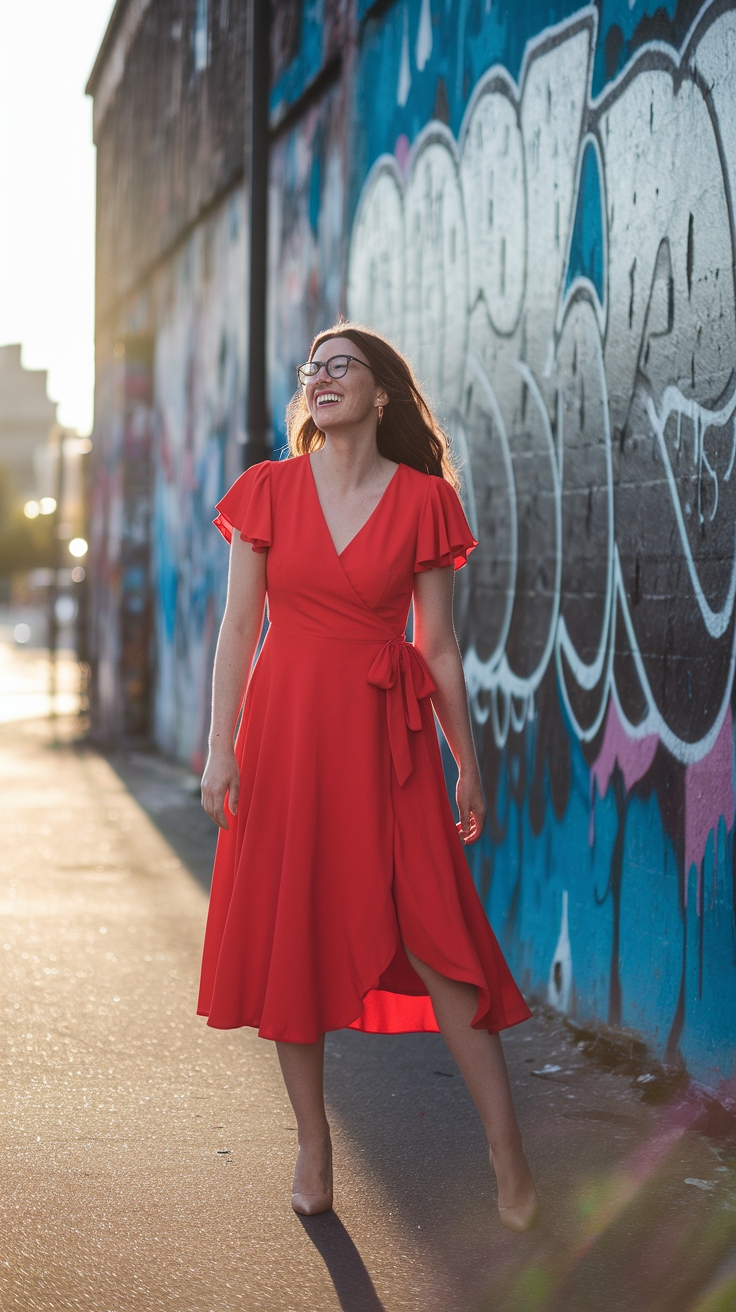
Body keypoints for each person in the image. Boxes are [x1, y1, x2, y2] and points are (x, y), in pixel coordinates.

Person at [198, 323, 539, 1232]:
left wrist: (468, 762)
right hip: (286, 735)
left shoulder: (425, 501)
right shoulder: (266, 491)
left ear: (382, 392)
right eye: (312, 368)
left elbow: (439, 645)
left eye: (339, 365)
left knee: (440, 934)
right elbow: (239, 629)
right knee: (292, 932)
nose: (320, 378)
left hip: (386, 741)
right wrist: (219, 745)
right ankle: (314, 1142)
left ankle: (506, 1147)